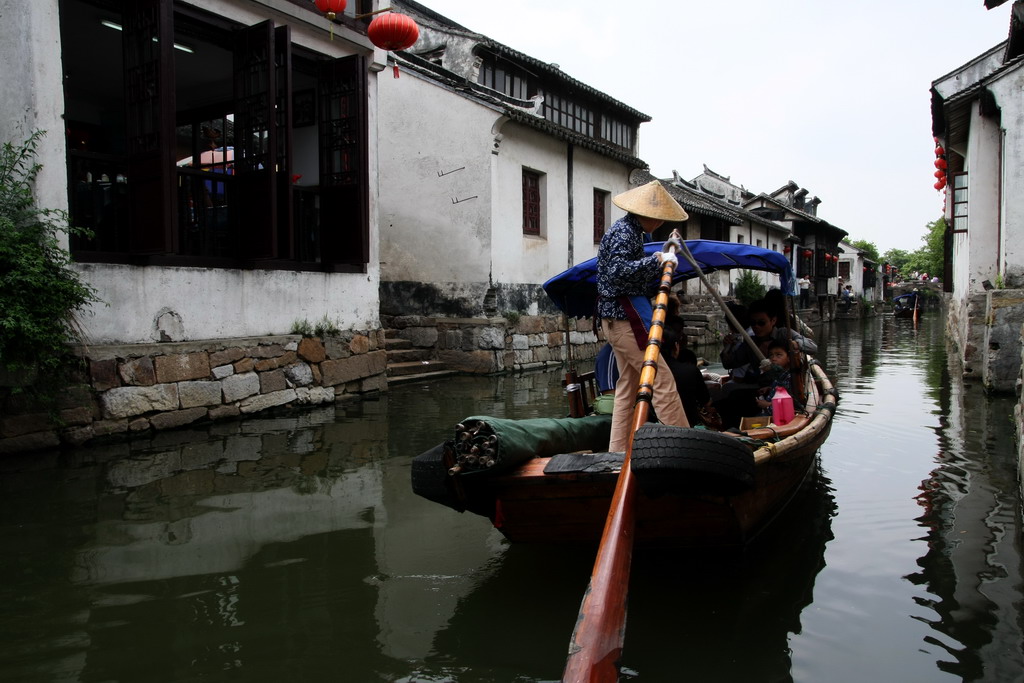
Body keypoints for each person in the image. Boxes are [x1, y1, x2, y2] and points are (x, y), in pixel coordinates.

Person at [597, 180, 690, 452]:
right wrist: (658, 261)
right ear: (647, 214)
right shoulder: (625, 233)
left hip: (619, 319)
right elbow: (617, 273)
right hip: (625, 319)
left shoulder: (634, 233)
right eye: (658, 219)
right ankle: (684, 447)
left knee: (627, 385)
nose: (659, 223)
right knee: (661, 379)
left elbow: (628, 267)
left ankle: (617, 452)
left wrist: (662, 251)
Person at [661, 323, 712, 427]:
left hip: (652, 429)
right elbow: (706, 402)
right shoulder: (690, 371)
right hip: (689, 427)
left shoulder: (644, 373)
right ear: (676, 346)